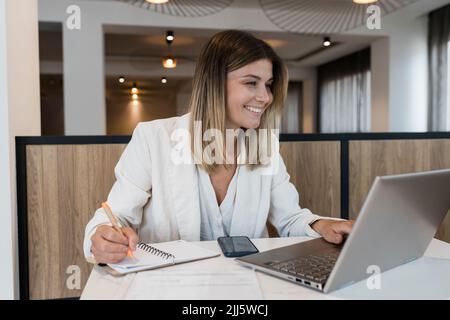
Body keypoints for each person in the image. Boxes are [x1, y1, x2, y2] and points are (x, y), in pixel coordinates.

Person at [84, 30, 354, 264]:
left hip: (245, 292)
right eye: (251, 83)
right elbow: (114, 216)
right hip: (171, 290)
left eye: (268, 85)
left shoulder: (264, 146)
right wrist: (102, 237)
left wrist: (321, 224)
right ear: (214, 84)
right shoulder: (153, 139)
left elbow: (290, 218)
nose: (265, 97)